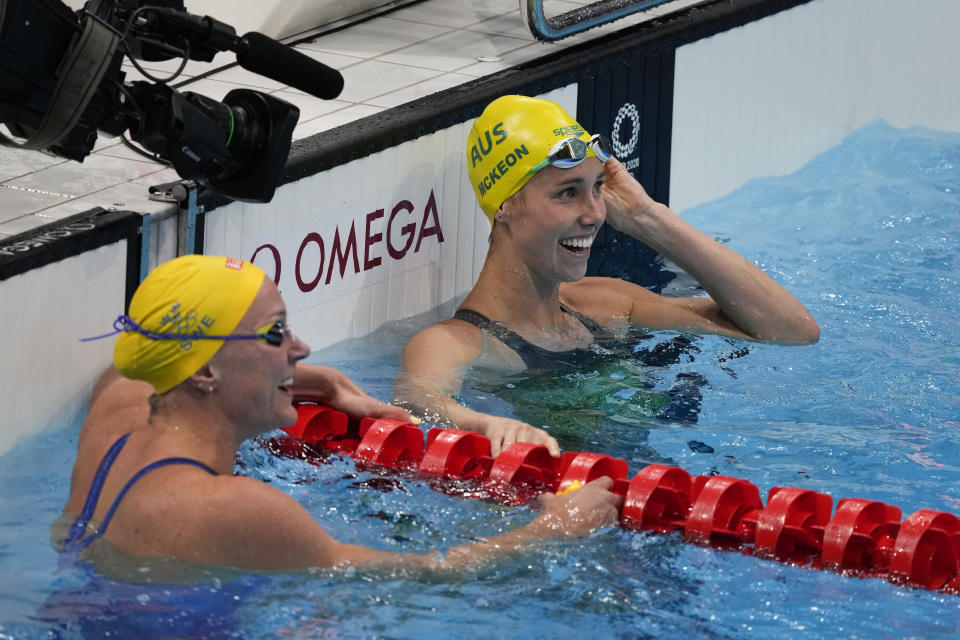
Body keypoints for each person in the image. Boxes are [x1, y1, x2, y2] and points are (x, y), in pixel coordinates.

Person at [58, 254, 621, 575]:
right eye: (275, 333)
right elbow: (426, 574)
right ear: (204, 373)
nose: (300, 348)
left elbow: (130, 365)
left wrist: (315, 381)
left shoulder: (117, 417)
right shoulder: (236, 507)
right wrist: (550, 531)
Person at [396, 95, 820, 457]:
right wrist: (485, 426)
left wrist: (647, 217)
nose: (596, 213)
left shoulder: (604, 303)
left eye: (597, 187)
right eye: (568, 192)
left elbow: (790, 330)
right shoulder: (459, 341)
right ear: (504, 206)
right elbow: (418, 398)